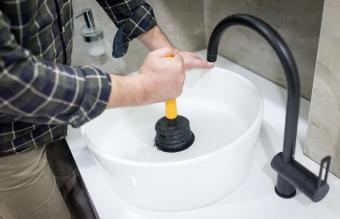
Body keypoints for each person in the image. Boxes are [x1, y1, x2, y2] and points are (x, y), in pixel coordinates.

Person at [0, 0, 212, 218]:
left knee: (75, 195)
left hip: (57, 108)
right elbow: (8, 78)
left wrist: (169, 54)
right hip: (10, 141)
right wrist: (145, 88)